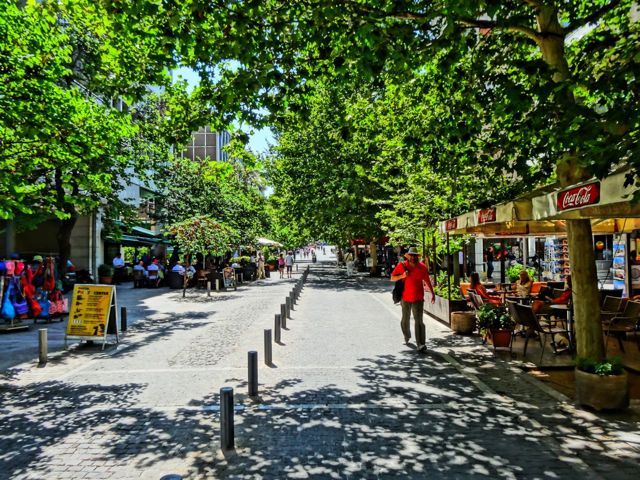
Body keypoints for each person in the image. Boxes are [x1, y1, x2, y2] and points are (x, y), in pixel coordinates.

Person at [390, 247, 436, 353]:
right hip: (405, 297)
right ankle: (406, 336)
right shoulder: (402, 266)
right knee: (405, 318)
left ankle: (420, 343)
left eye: (415, 256)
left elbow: (427, 281)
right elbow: (392, 278)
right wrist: (402, 275)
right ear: (408, 256)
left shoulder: (422, 268)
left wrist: (433, 294)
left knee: (419, 320)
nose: (414, 258)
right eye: (412, 256)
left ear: (418, 257)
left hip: (418, 297)